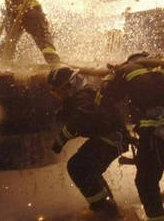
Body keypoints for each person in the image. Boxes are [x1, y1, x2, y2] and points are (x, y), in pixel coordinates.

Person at [97, 53, 164, 221]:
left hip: (154, 136)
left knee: (146, 181)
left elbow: (105, 96)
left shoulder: (124, 70)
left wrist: (109, 77)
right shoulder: (159, 71)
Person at [47, 66, 126, 218]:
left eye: (59, 91)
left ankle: (105, 210)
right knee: (90, 170)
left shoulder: (82, 97)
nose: (57, 96)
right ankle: (106, 207)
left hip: (111, 138)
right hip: (111, 137)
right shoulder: (84, 94)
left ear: (70, 86)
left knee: (77, 167)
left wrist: (60, 140)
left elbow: (81, 118)